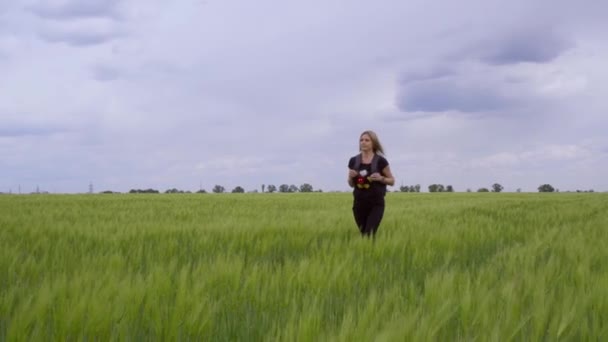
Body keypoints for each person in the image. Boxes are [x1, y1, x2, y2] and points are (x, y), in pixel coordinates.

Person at [347, 130, 395, 238]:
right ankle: (367, 253)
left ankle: (370, 252)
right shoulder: (353, 161)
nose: (363, 142)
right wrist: (351, 177)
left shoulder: (381, 161)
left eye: (367, 140)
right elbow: (351, 184)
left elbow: (392, 181)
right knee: (364, 234)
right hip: (359, 204)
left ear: (373, 143)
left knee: (369, 233)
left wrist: (381, 178)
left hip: (376, 204)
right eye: (361, 140)